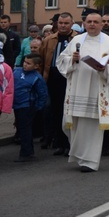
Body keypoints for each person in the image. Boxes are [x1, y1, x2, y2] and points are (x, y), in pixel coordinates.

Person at [56, 13, 109, 172]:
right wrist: (72, 59)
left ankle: (90, 161)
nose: (92, 24)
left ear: (102, 25)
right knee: (75, 124)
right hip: (77, 89)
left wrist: (105, 68)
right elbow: (61, 60)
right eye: (89, 22)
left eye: (96, 22)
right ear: (84, 24)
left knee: (92, 127)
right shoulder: (76, 40)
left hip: (97, 90)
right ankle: (80, 156)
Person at [39, 12, 77, 155]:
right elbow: (42, 60)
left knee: (69, 112)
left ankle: (70, 144)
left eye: (66, 23)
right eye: (60, 23)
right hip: (53, 78)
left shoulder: (77, 39)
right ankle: (59, 143)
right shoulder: (49, 40)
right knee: (56, 111)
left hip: (70, 78)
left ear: (72, 24)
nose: (62, 26)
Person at [12, 54, 47, 162]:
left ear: (36, 66)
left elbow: (43, 94)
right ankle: (29, 151)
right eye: (25, 62)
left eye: (28, 63)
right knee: (21, 127)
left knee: (25, 129)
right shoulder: (17, 71)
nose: (25, 65)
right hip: (17, 104)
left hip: (27, 105)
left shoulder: (37, 78)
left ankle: (26, 153)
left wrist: (38, 107)